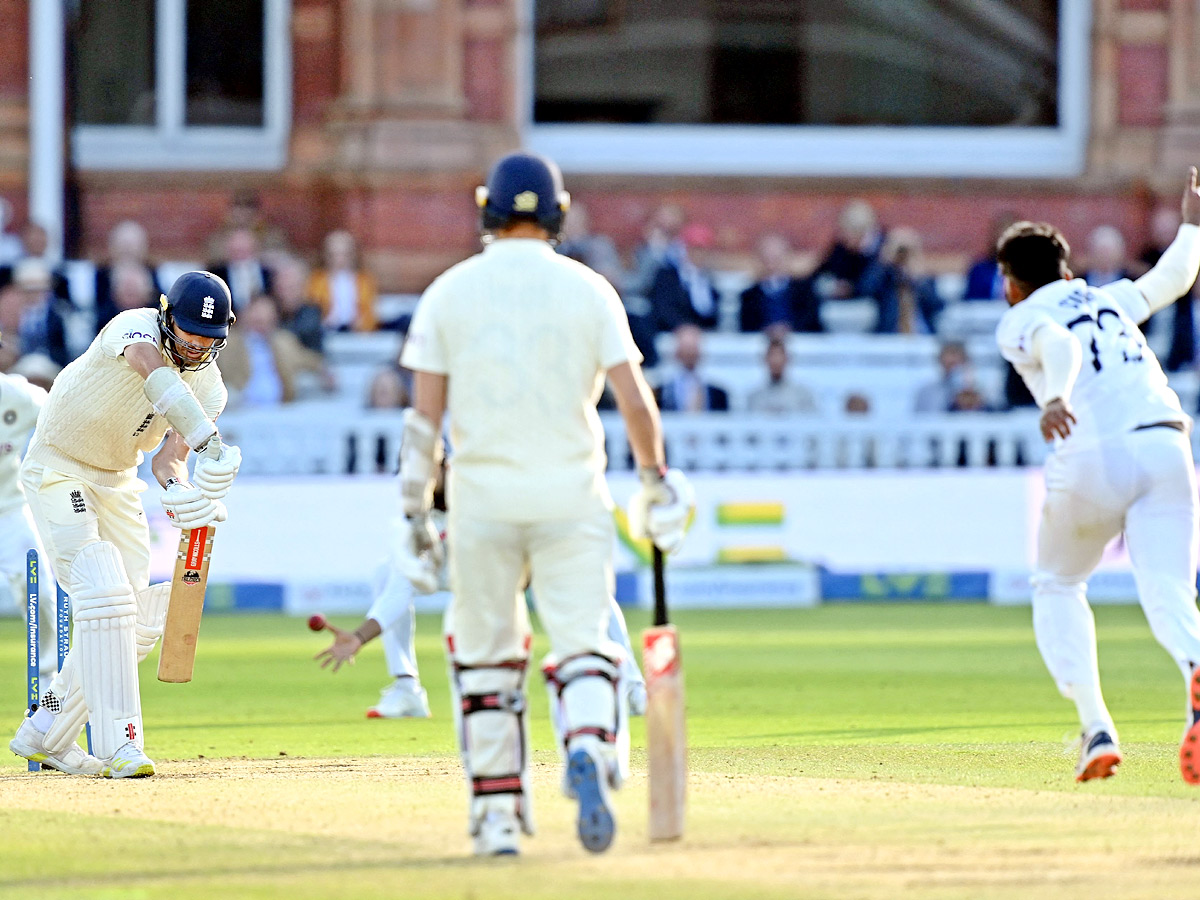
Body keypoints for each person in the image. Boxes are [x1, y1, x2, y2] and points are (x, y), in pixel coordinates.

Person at [398, 151, 693, 856]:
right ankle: (589, 742)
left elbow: (423, 423)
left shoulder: (449, 290)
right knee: (585, 641)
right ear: (557, 213)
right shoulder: (590, 289)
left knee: (487, 660)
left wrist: (416, 509)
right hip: (571, 495)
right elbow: (634, 401)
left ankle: (498, 819)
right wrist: (655, 480)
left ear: (487, 211)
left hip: (483, 502)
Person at [994, 167, 1200, 784]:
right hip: (1167, 442)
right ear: (1065, 267)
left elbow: (1057, 343)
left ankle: (1096, 729)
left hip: (1093, 453)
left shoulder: (1021, 317)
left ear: (1012, 281)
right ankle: (1194, 662)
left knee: (1057, 583)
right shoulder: (1107, 298)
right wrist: (1191, 220)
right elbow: (1174, 276)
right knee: (1168, 589)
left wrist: (1055, 396)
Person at [8, 270, 241, 778]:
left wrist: (182, 493)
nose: (197, 348)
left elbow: (166, 462)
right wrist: (210, 441)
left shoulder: (211, 389)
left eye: (209, 340)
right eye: (188, 334)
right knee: (104, 595)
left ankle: (45, 731)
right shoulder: (132, 328)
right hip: (58, 467)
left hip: (119, 482)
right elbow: (154, 375)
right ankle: (122, 746)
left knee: (132, 625)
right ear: (165, 317)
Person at [0, 326, 58, 681]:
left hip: (6, 508)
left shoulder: (16, 395)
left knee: (39, 592)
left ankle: (50, 691)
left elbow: (64, 413)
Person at [739, 233, 823, 334]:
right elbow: (748, 326)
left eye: (776, 257)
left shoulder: (805, 290)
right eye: (767, 257)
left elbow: (811, 320)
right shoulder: (749, 296)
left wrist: (787, 329)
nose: (771, 262)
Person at [307, 230, 378, 332]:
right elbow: (312, 311)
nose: (340, 260)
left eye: (345, 255)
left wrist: (362, 324)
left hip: (357, 333)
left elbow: (370, 314)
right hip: (326, 332)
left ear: (353, 255)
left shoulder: (365, 281)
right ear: (326, 256)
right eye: (334, 255)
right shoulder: (316, 281)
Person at [654, 323, 730, 412]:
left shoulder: (719, 394)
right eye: (686, 348)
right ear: (676, 352)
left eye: (693, 348)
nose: (690, 353)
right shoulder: (661, 393)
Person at [746, 337, 817, 414]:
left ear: (787, 359)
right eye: (772, 355)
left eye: (779, 355)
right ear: (765, 359)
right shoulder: (754, 397)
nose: (776, 361)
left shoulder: (803, 395)